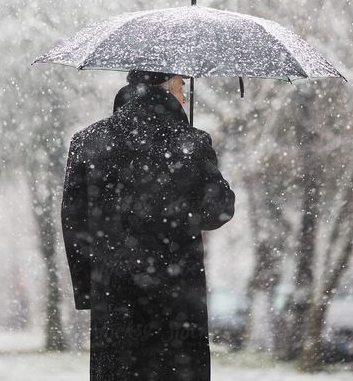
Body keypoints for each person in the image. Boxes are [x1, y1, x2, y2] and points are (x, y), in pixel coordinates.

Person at [61, 70, 236, 381]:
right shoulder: (191, 143)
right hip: (178, 300)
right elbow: (220, 209)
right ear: (165, 86)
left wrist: (90, 291)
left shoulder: (88, 141)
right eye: (182, 87)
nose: (184, 97)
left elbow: (74, 222)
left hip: (115, 298)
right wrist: (187, 204)